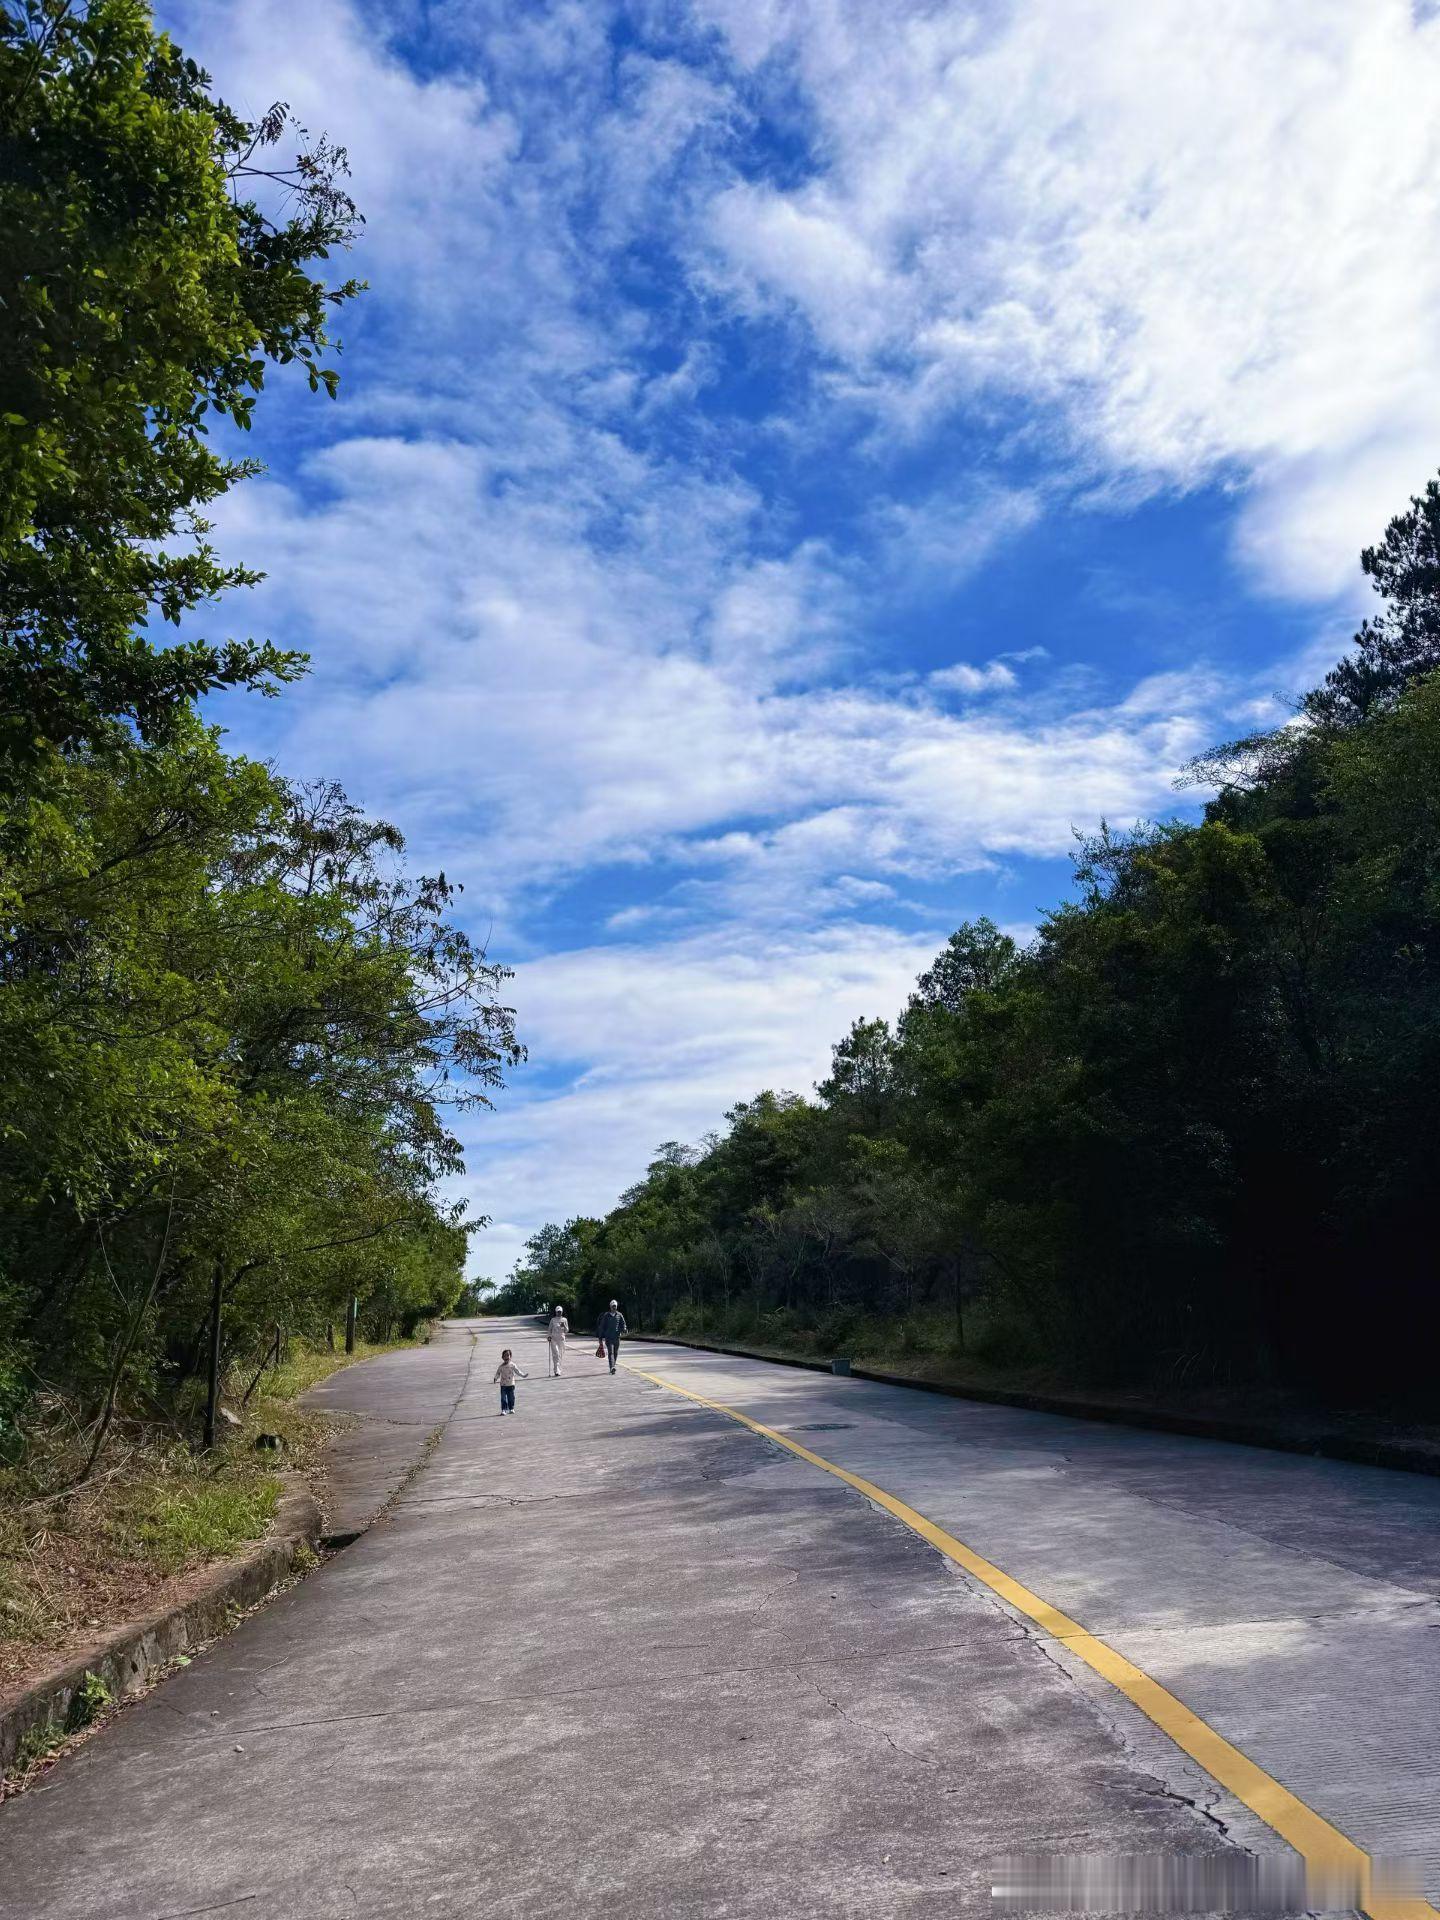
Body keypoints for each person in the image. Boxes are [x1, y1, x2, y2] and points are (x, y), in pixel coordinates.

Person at [597, 1299, 627, 1374]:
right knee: (611, 1352)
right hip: (608, 1337)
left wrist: (624, 1329)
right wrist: (600, 1338)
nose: (614, 1308)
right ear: (610, 1307)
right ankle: (612, 1367)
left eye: (615, 1306)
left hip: (617, 1337)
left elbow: (623, 1324)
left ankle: (613, 1366)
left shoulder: (619, 1315)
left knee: (615, 1352)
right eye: (613, 1306)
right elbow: (602, 1327)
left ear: (616, 1307)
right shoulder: (606, 1316)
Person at [493, 1349, 527, 1414]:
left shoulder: (512, 1365)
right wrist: (495, 1378)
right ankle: (504, 1410)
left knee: (511, 1397)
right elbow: (498, 1373)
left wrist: (523, 1375)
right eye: (505, 1356)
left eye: (508, 1355)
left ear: (510, 1356)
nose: (506, 1357)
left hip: (511, 1384)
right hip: (503, 1385)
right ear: (502, 1357)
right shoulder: (501, 1367)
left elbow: (518, 1371)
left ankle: (511, 1408)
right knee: (503, 1398)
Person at [546, 1304, 569, 1377]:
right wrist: (549, 1336)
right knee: (555, 1354)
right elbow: (549, 1329)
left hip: (561, 1339)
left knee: (560, 1355)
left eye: (560, 1311)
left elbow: (566, 1330)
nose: (559, 1313)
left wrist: (564, 1326)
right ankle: (556, 1371)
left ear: (562, 1312)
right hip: (554, 1339)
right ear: (556, 1312)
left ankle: (559, 1370)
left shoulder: (564, 1320)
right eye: (558, 1311)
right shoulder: (553, 1320)